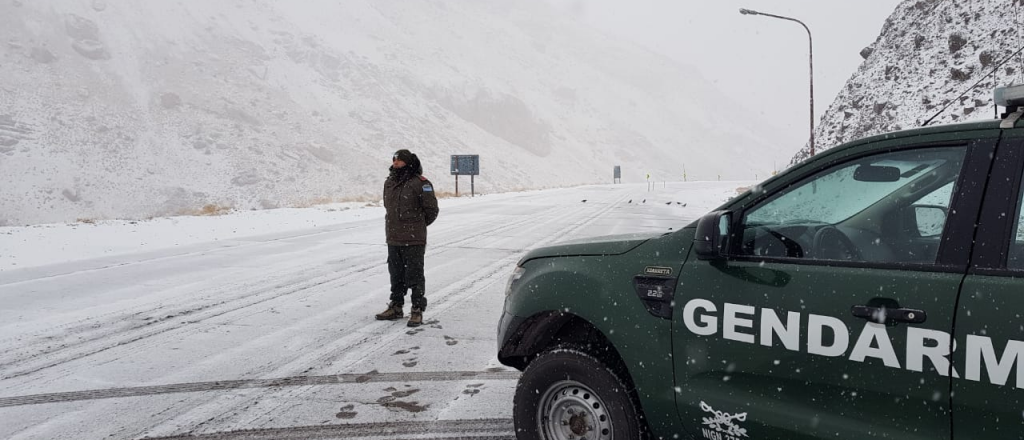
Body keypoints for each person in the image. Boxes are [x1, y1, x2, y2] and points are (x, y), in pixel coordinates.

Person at [375, 149, 439, 327]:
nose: (395, 163)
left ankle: (417, 309)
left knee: (415, 274)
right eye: (394, 160)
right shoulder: (389, 183)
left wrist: (416, 226)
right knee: (395, 274)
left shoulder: (421, 183)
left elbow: (431, 210)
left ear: (408, 162)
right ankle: (396, 306)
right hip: (393, 237)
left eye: (399, 160)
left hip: (414, 239)